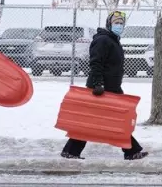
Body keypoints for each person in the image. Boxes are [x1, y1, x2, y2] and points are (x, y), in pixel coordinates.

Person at [61, 11, 148, 160]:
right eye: (116, 23)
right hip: (101, 89)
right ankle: (131, 151)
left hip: (112, 88)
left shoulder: (113, 40)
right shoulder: (103, 40)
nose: (119, 26)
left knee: (116, 120)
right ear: (109, 24)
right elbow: (96, 63)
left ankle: (71, 151)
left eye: (121, 23)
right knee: (99, 121)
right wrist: (98, 84)